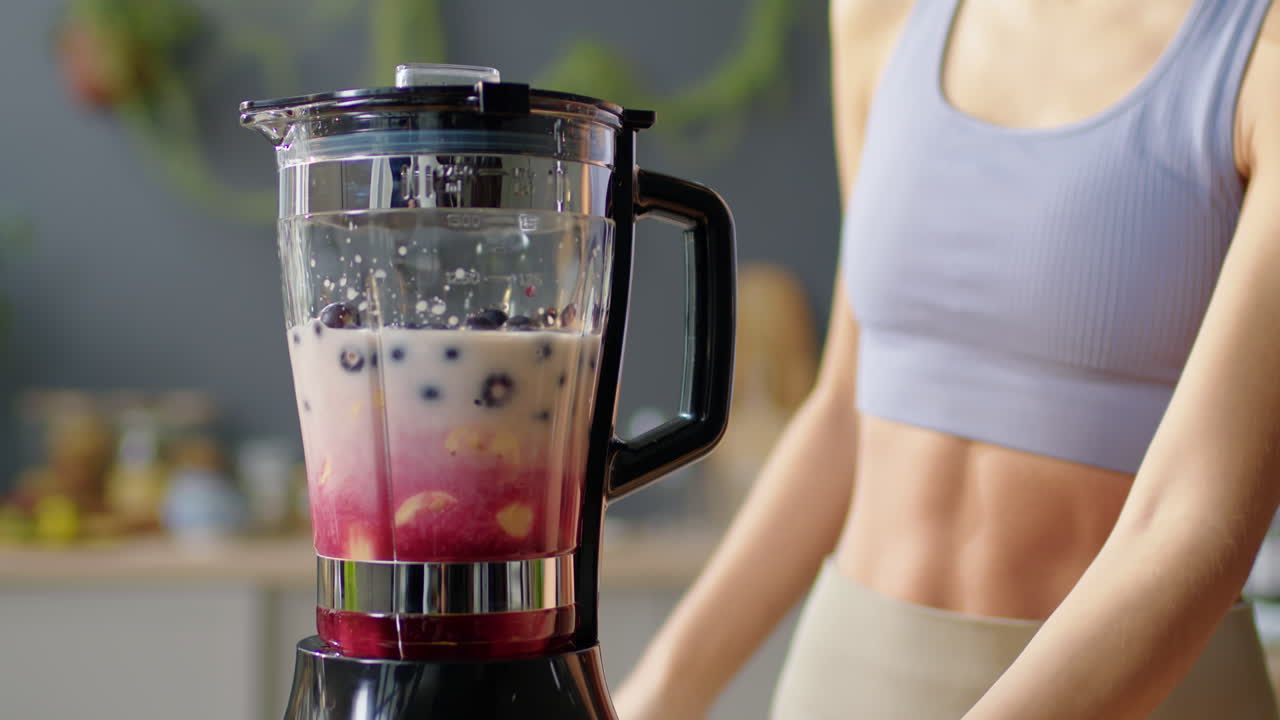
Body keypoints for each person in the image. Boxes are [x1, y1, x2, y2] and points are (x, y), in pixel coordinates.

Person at [613, 0, 1280, 717]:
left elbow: (1198, 519)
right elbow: (846, 410)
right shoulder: (882, 13)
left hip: (1141, 692)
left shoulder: (1259, 51)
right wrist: (660, 691)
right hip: (850, 676)